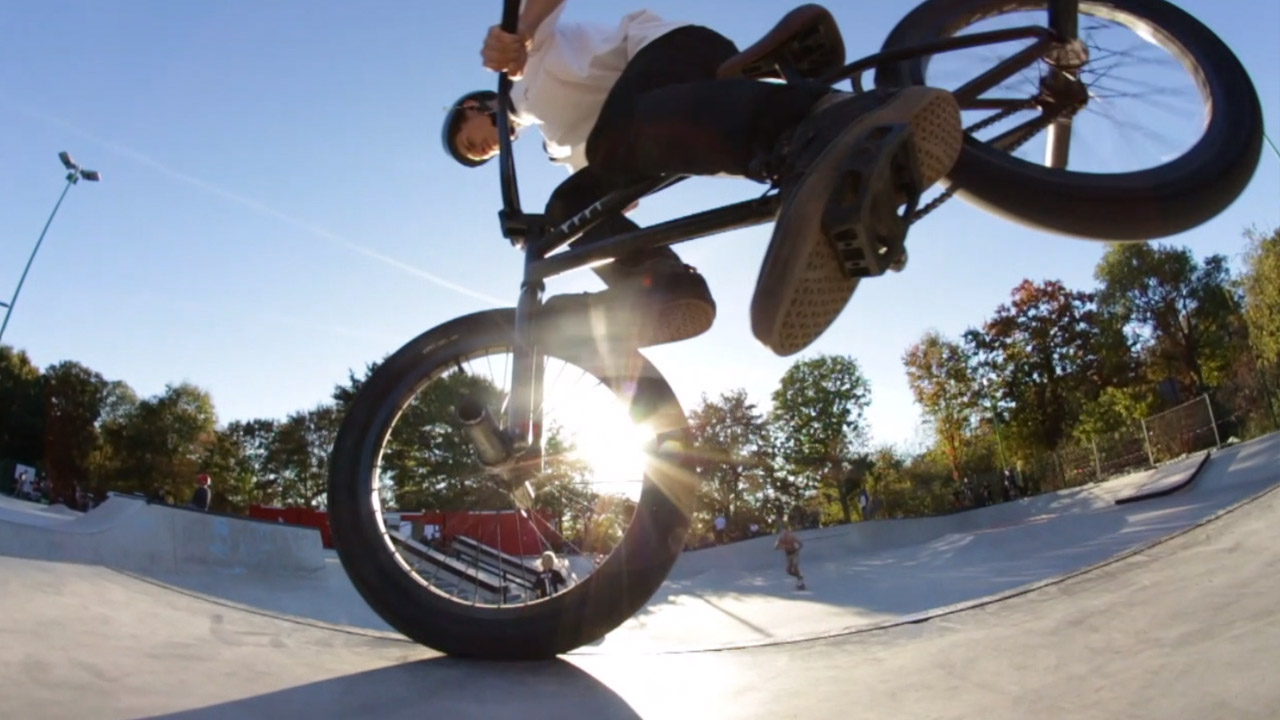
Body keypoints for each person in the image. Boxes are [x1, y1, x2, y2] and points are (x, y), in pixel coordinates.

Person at [442, 1, 961, 356]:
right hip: (657, 113)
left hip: (671, 52)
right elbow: (604, 199)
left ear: (472, 108)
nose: (483, 150)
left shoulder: (519, 67)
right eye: (477, 157)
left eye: (471, 141)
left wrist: (519, 34)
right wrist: (543, 231)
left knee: (615, 143)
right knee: (568, 208)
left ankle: (815, 121)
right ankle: (663, 289)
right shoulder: (555, 142)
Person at [775, 525, 806, 590]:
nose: (785, 535)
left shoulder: (792, 537)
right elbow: (775, 547)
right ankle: (799, 577)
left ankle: (800, 581)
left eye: (786, 533)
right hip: (788, 555)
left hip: (794, 553)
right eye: (783, 534)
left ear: (788, 533)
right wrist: (781, 545)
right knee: (788, 571)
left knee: (795, 566)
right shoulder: (781, 539)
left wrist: (797, 550)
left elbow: (800, 543)